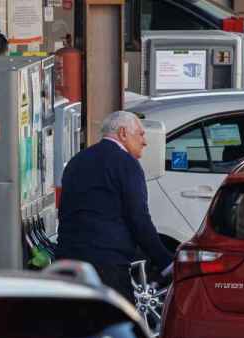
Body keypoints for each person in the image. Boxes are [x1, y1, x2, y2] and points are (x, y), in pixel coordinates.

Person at [56, 111, 174, 302]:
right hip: (107, 265)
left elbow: (65, 211)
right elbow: (138, 218)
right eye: (141, 134)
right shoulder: (127, 164)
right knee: (116, 325)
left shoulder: (77, 161)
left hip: (69, 262)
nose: (145, 142)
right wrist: (165, 262)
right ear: (123, 133)